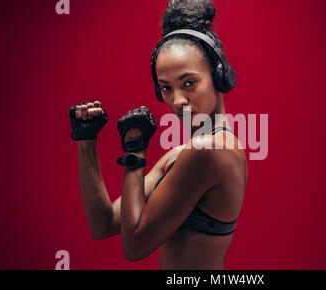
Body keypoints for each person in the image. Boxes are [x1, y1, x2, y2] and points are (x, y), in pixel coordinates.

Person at [68, 0, 248, 270]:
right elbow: (104, 223)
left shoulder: (209, 150)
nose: (178, 101)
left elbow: (134, 246)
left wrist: (135, 151)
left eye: (189, 83)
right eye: (166, 88)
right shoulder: (183, 153)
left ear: (220, 76)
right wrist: (86, 141)